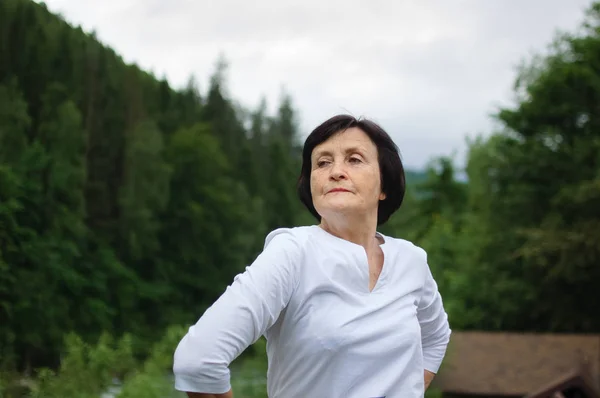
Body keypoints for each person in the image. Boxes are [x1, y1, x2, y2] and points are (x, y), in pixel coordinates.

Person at [173, 114, 452, 398]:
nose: (336, 171)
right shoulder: (293, 252)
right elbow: (198, 362)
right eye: (323, 162)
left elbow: (436, 336)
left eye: (354, 159)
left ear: (385, 186)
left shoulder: (411, 260)